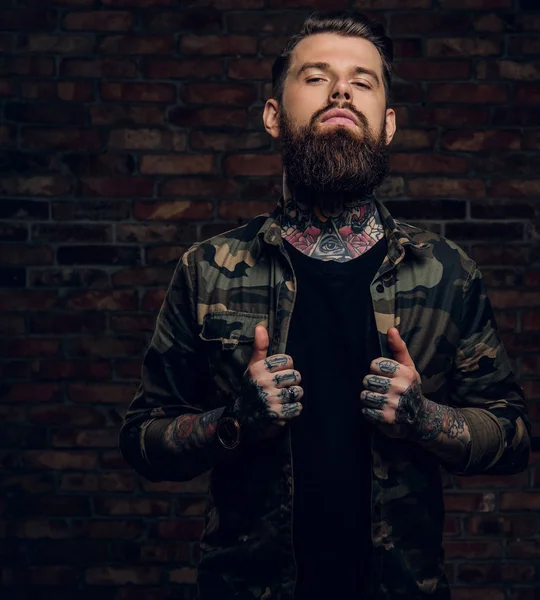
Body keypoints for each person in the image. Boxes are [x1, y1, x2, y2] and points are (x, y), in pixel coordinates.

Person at [119, 10, 531, 600]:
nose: (341, 89)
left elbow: (512, 437)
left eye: (362, 81)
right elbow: (142, 441)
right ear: (272, 115)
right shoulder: (207, 269)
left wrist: (424, 418)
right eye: (316, 77)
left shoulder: (447, 273)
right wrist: (235, 421)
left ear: (387, 125)